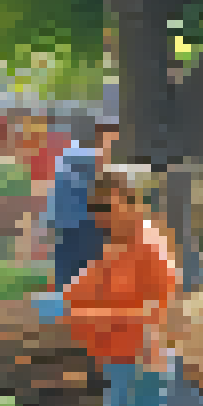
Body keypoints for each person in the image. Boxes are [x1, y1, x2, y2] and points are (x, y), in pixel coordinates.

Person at [62, 168, 181, 406]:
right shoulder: (119, 245)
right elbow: (89, 285)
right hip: (122, 358)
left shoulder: (149, 248)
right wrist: (64, 299)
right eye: (96, 208)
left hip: (143, 358)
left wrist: (86, 312)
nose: (100, 216)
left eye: (107, 207)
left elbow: (156, 313)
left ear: (132, 204)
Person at [49, 118, 122, 291]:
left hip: (70, 231)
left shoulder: (70, 156)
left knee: (70, 285)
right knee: (86, 284)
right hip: (86, 230)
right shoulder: (88, 159)